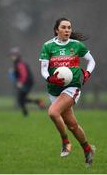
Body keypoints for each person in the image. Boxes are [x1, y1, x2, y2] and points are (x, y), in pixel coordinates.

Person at [39, 17, 96, 166]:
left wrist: (87, 73)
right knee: (72, 125)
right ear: (57, 29)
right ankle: (88, 149)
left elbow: (92, 61)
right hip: (54, 89)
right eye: (64, 27)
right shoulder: (48, 46)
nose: (67, 30)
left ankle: (65, 142)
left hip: (73, 86)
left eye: (69, 28)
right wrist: (50, 79)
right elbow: (44, 70)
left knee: (53, 112)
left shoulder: (76, 45)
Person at [9, 46, 45, 116]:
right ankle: (38, 102)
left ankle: (26, 113)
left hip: (26, 83)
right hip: (26, 82)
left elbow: (24, 74)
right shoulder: (16, 64)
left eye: (14, 55)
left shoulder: (19, 63)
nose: (12, 56)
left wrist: (21, 83)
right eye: (11, 55)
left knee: (20, 98)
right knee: (21, 99)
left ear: (18, 55)